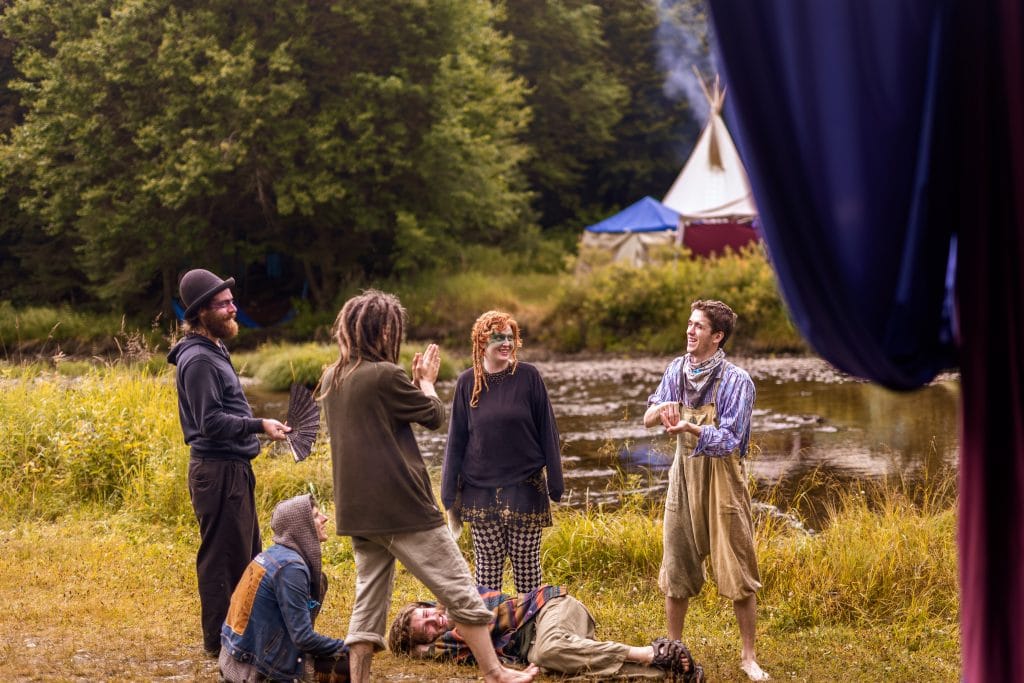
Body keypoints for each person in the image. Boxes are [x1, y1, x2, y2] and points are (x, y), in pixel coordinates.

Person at [317, 290, 537, 683]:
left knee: (367, 602)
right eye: (391, 329)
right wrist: (427, 382)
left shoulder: (332, 377)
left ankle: (359, 678)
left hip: (358, 514)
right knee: (460, 589)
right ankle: (495, 673)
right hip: (404, 507)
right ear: (383, 330)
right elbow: (435, 416)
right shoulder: (385, 375)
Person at [167, 268, 290, 657]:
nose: (233, 308)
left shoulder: (214, 349)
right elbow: (210, 422)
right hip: (216, 471)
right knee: (221, 559)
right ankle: (217, 644)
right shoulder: (198, 360)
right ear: (202, 312)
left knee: (244, 555)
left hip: (232, 469)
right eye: (224, 304)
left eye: (231, 301)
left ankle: (238, 637)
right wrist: (259, 424)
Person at [643, 299, 768, 681]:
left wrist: (691, 427)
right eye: (689, 324)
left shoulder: (737, 381)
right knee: (676, 562)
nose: (690, 331)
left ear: (717, 336)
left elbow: (731, 439)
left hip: (724, 481)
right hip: (684, 478)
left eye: (698, 326)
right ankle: (672, 651)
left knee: (737, 567)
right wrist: (664, 410)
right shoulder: (675, 371)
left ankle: (748, 657)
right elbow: (648, 416)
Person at [441, 310, 563, 594]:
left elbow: (549, 431)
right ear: (482, 342)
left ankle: (530, 633)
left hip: (526, 489)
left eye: (511, 337)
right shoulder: (466, 382)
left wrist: (556, 483)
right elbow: (455, 440)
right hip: (480, 492)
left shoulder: (528, 377)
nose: (507, 343)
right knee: (487, 573)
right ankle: (489, 634)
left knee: (528, 572)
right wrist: (448, 494)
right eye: (499, 337)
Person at [389, 584, 704, 681]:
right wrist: (418, 648)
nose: (436, 621)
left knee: (548, 652)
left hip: (551, 610)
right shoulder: (449, 647)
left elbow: (484, 622)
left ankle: (652, 652)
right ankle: (670, 672)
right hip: (543, 645)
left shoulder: (460, 599)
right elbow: (433, 651)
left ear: (427, 604)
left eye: (428, 613)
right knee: (557, 667)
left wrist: (436, 634)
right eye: (428, 629)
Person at [219, 494, 350, 682]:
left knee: (320, 581)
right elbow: (304, 638)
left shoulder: (273, 556)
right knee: (349, 664)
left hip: (236, 658)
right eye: (315, 516)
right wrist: (348, 647)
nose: (324, 518)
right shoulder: (291, 569)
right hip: (252, 670)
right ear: (300, 527)